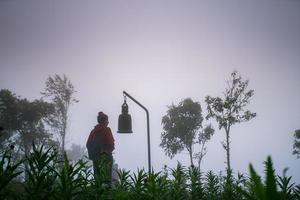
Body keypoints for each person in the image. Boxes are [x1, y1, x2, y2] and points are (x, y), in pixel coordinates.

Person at [86, 112, 115, 184]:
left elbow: (88, 144)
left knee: (98, 179)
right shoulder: (107, 130)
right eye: (107, 120)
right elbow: (111, 144)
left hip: (96, 159)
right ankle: (107, 193)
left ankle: (98, 193)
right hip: (106, 158)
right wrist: (107, 151)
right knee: (107, 179)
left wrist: (94, 156)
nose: (108, 122)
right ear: (103, 121)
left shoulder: (93, 132)